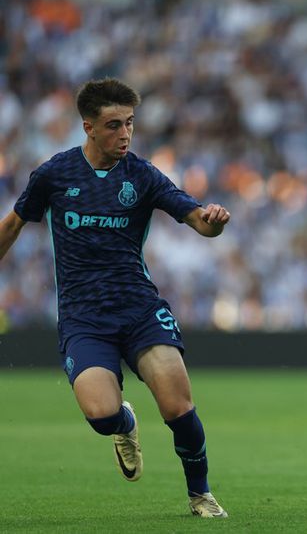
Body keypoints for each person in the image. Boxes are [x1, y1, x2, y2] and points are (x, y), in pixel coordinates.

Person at [0, 78, 229, 517]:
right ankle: (124, 424)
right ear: (88, 127)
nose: (124, 134)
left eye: (130, 124)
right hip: (84, 318)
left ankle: (200, 493)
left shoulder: (141, 175)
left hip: (139, 309)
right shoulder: (54, 175)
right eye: (113, 125)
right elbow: (12, 225)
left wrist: (213, 221)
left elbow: (197, 219)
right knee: (101, 415)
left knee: (178, 405)